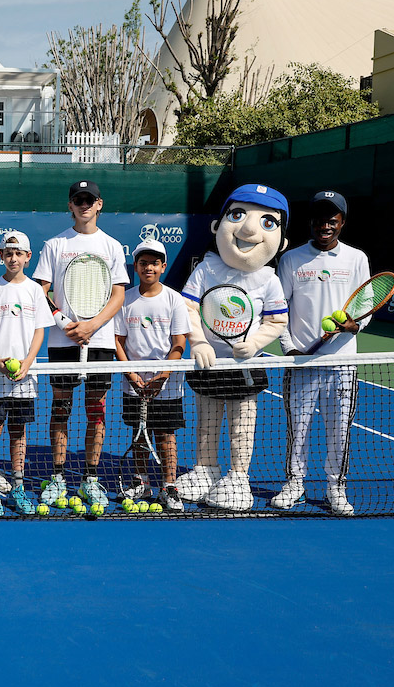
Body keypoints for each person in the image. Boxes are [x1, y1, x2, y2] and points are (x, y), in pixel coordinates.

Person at [179, 184, 290, 512]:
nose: (248, 229)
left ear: (281, 241)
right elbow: (188, 308)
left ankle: (238, 476)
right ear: (218, 226)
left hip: (244, 365)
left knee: (243, 422)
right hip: (208, 363)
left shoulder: (269, 280)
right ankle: (206, 469)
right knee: (207, 419)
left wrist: (255, 343)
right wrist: (198, 340)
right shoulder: (206, 269)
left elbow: (277, 321)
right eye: (237, 215)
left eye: (267, 222)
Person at [32, 180, 129, 509]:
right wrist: (65, 324)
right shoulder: (55, 245)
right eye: (78, 199)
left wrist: (92, 325)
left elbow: (118, 295)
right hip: (63, 341)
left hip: (99, 340)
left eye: (89, 199)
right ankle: (58, 477)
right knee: (60, 407)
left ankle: (91, 478)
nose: (84, 204)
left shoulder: (113, 247)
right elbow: (41, 291)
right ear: (70, 205)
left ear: (99, 204)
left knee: (95, 411)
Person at [273, 190, 369, 515]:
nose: (324, 225)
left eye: (332, 219)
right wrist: (289, 348)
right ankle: (294, 484)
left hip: (342, 364)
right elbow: (279, 310)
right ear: (311, 222)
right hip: (302, 364)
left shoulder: (357, 259)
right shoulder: (291, 259)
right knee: (297, 430)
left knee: (339, 432)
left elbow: (366, 308)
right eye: (319, 219)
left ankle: (335, 489)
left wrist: (353, 326)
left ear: (342, 222)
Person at [113, 239, 191, 512]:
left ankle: (169, 485)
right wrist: (132, 375)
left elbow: (179, 343)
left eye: (154, 263)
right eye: (143, 263)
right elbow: (118, 342)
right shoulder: (126, 300)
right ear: (135, 267)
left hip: (166, 386)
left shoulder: (174, 299)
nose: (149, 267)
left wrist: (162, 376)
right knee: (139, 434)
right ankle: (140, 480)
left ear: (163, 267)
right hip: (133, 383)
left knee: (166, 435)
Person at [0, 232, 49, 516]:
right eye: (8, 253)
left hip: (24, 378)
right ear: (1, 256)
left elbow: (40, 330)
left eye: (19, 253)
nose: (13, 258)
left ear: (28, 257)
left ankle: (18, 487)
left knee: (18, 433)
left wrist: (28, 363)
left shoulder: (34, 290)